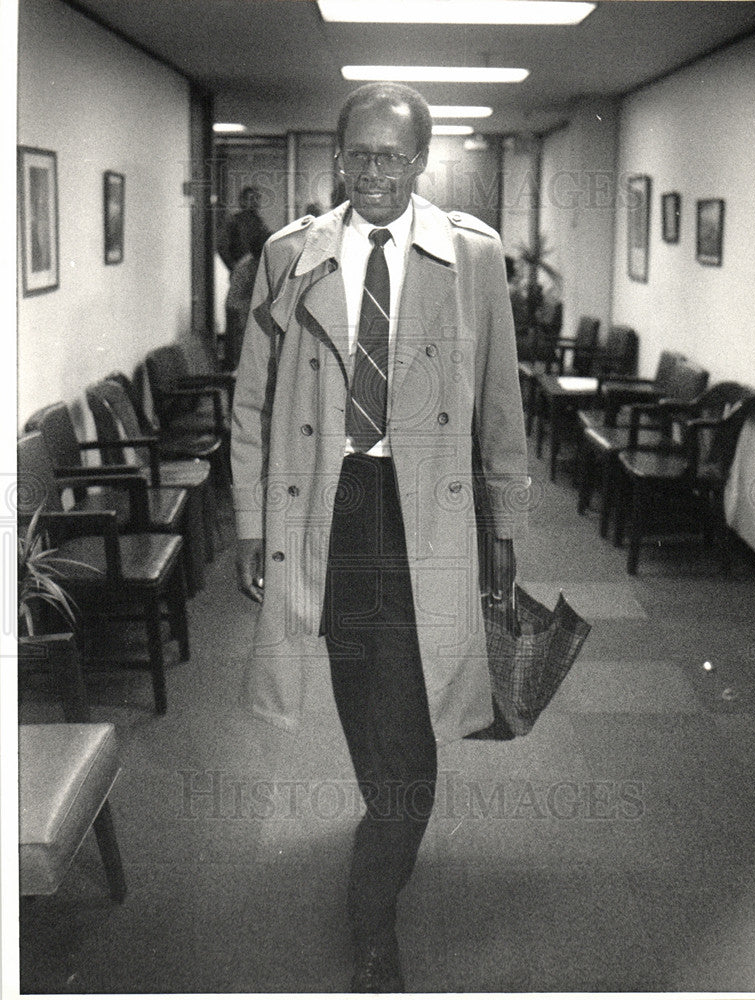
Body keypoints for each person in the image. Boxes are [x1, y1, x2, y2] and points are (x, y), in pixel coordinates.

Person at [231, 82, 529, 992]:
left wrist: (506, 526)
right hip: (331, 506)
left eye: (392, 156)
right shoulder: (292, 255)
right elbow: (249, 401)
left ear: (420, 161)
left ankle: (373, 905)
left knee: (413, 727)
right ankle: (385, 830)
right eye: (357, 154)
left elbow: (501, 401)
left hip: (431, 512)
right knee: (366, 699)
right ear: (339, 159)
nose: (373, 172)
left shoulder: (471, 256)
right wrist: (250, 524)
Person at [224, 227, 268, 370]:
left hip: (246, 313)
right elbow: (237, 302)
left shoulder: (255, 262)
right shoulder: (247, 267)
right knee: (243, 360)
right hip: (239, 314)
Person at [217, 186, 270, 272]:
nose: (255, 202)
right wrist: (234, 267)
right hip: (241, 269)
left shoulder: (258, 222)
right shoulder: (234, 221)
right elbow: (222, 246)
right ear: (243, 201)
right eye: (252, 198)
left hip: (256, 270)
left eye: (257, 198)